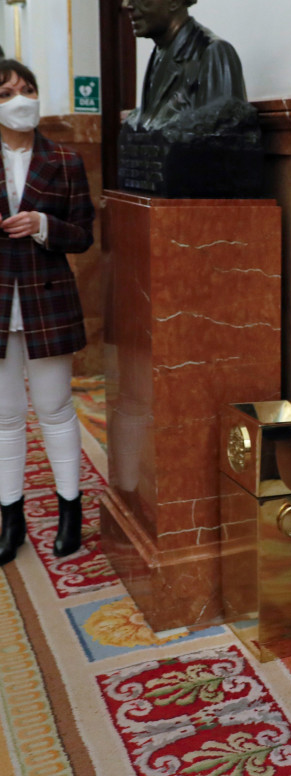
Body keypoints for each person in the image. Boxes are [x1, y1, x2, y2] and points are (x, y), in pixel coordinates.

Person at [0, 60, 95, 565]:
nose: (21, 98)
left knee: (55, 409)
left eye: (28, 88)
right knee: (5, 417)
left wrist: (42, 224)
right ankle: (9, 520)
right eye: (7, 91)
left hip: (48, 298)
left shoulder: (65, 159)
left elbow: (83, 235)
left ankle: (69, 512)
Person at [120, 0, 247, 131]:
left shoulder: (212, 53)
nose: (127, 5)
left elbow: (225, 138)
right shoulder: (158, 55)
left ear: (174, 2)